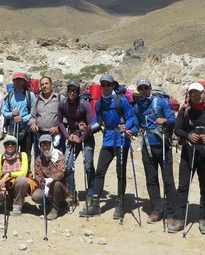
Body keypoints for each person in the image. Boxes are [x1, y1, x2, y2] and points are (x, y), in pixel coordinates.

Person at [170, 82, 205, 234]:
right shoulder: (184, 111)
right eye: (192, 94)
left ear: (203, 94)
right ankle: (179, 219)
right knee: (183, 187)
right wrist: (189, 135)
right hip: (188, 154)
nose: (195, 96)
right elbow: (177, 129)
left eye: (198, 93)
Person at [82, 74, 138, 218]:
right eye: (103, 85)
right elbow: (96, 121)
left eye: (108, 85)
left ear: (113, 85)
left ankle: (119, 204)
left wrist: (126, 126)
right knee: (100, 170)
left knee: (120, 172)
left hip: (121, 141)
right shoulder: (100, 103)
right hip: (107, 140)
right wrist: (88, 128)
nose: (105, 88)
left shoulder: (122, 100)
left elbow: (131, 117)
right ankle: (95, 204)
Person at [132, 77, 179, 225]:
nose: (144, 91)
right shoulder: (137, 108)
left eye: (146, 88)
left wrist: (164, 120)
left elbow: (173, 120)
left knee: (168, 180)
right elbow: (135, 126)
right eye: (141, 89)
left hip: (163, 146)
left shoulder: (162, 103)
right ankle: (157, 209)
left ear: (150, 88)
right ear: (138, 90)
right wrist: (127, 130)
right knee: (151, 180)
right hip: (147, 147)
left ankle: (171, 212)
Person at [56, 79, 96, 213]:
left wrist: (82, 137)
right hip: (73, 136)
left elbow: (91, 125)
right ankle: (72, 193)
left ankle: (90, 194)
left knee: (88, 165)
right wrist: (68, 136)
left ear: (78, 92)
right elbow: (60, 122)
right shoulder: (63, 104)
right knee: (68, 165)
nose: (72, 93)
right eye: (70, 90)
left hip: (86, 137)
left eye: (74, 91)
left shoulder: (85, 105)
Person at [0, 135, 33, 216]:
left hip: (18, 185)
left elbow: (23, 172)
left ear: (16, 145)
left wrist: (9, 174)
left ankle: (17, 205)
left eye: (12, 143)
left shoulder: (22, 155)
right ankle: (9, 202)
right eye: (7, 143)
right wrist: (1, 185)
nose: (10, 145)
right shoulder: (0, 158)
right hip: (6, 185)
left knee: (22, 180)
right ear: (4, 146)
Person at [31, 134, 67, 220]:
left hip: (59, 188)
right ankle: (48, 205)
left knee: (56, 184)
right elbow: (38, 176)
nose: (45, 147)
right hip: (45, 187)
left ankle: (54, 209)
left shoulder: (59, 156)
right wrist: (43, 185)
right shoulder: (39, 159)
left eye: (47, 144)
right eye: (42, 144)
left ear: (51, 144)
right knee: (35, 196)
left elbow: (61, 173)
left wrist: (50, 180)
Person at [2, 72, 36, 161]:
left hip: (26, 130)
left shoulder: (30, 95)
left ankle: (27, 173)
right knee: (12, 153)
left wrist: (23, 119)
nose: (18, 82)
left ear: (24, 81)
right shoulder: (9, 96)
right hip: (12, 130)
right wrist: (12, 114)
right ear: (13, 81)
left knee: (26, 155)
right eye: (16, 80)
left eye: (20, 80)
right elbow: (4, 112)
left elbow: (34, 112)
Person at [29, 76, 64, 155]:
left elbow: (66, 117)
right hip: (39, 135)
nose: (44, 86)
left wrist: (59, 128)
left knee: (56, 160)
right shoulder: (37, 100)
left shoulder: (60, 98)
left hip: (55, 135)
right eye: (42, 84)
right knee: (40, 160)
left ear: (52, 85)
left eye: (46, 83)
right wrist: (33, 123)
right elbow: (32, 116)